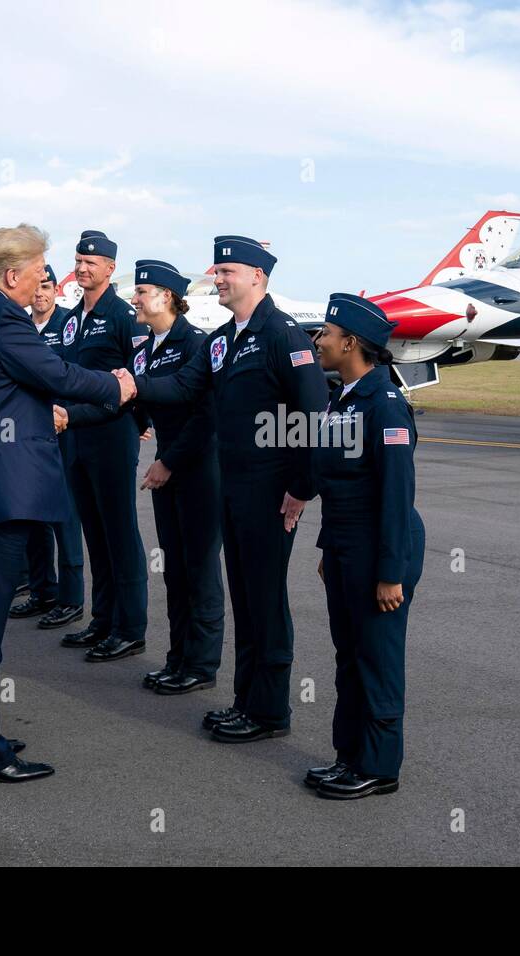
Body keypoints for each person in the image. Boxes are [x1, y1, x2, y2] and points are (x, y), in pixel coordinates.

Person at [0, 223, 134, 785]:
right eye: (40, 270)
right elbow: (52, 372)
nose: (46, 280)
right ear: (12, 274)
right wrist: (116, 386)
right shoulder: (0, 315)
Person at [132, 236, 328, 742]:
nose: (217, 280)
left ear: (258, 277)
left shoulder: (283, 335)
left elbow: (313, 415)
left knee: (264, 600)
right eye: (216, 272)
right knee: (244, 596)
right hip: (233, 488)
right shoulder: (223, 339)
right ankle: (247, 702)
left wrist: (302, 488)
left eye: (227, 272)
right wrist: (129, 385)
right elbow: (181, 388)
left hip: (272, 492)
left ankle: (270, 712)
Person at [305, 293, 424, 800]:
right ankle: (349, 756)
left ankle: (379, 767)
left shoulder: (385, 405)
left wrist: (390, 572)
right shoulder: (343, 397)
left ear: (351, 343)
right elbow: (336, 486)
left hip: (380, 552)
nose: (318, 341)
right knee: (349, 657)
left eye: (326, 334)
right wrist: (328, 550)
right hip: (347, 550)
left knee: (376, 660)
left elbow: (396, 495)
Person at [126, 260, 223, 694]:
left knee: (200, 570)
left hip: (198, 469)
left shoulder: (194, 344)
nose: (135, 299)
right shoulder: (143, 349)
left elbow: (206, 417)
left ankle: (201, 665)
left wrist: (169, 462)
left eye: (142, 292)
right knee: (176, 571)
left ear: (167, 296)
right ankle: (177, 658)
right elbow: (133, 407)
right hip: (168, 469)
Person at [57, 230, 151, 661]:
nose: (81, 268)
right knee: (94, 532)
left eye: (91, 263)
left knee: (119, 532)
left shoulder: (123, 317)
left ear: (111, 268)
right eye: (78, 261)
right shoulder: (72, 318)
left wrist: (138, 423)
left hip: (111, 435)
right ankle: (103, 618)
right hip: (76, 437)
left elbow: (132, 386)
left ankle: (130, 627)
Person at [8, 264, 84, 631]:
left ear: (56, 290)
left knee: (64, 517)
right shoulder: (19, 325)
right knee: (34, 515)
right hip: (28, 434)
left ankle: (71, 599)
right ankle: (42, 590)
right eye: (35, 286)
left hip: (63, 428)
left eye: (46, 286)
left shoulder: (69, 325)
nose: (39, 293)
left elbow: (75, 374)